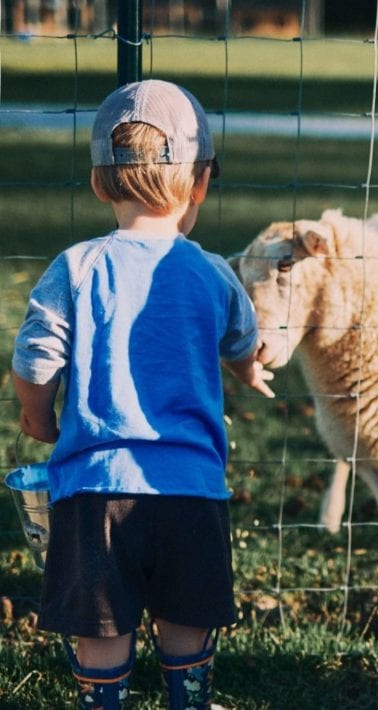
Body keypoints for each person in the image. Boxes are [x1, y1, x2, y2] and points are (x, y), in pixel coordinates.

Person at [11, 79, 275, 710]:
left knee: (103, 624)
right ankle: (187, 695)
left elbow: (35, 358)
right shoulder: (213, 273)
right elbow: (242, 343)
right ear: (201, 181)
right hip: (190, 488)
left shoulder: (75, 267)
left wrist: (36, 414)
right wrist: (249, 372)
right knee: (187, 616)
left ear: (101, 183)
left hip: (96, 488)